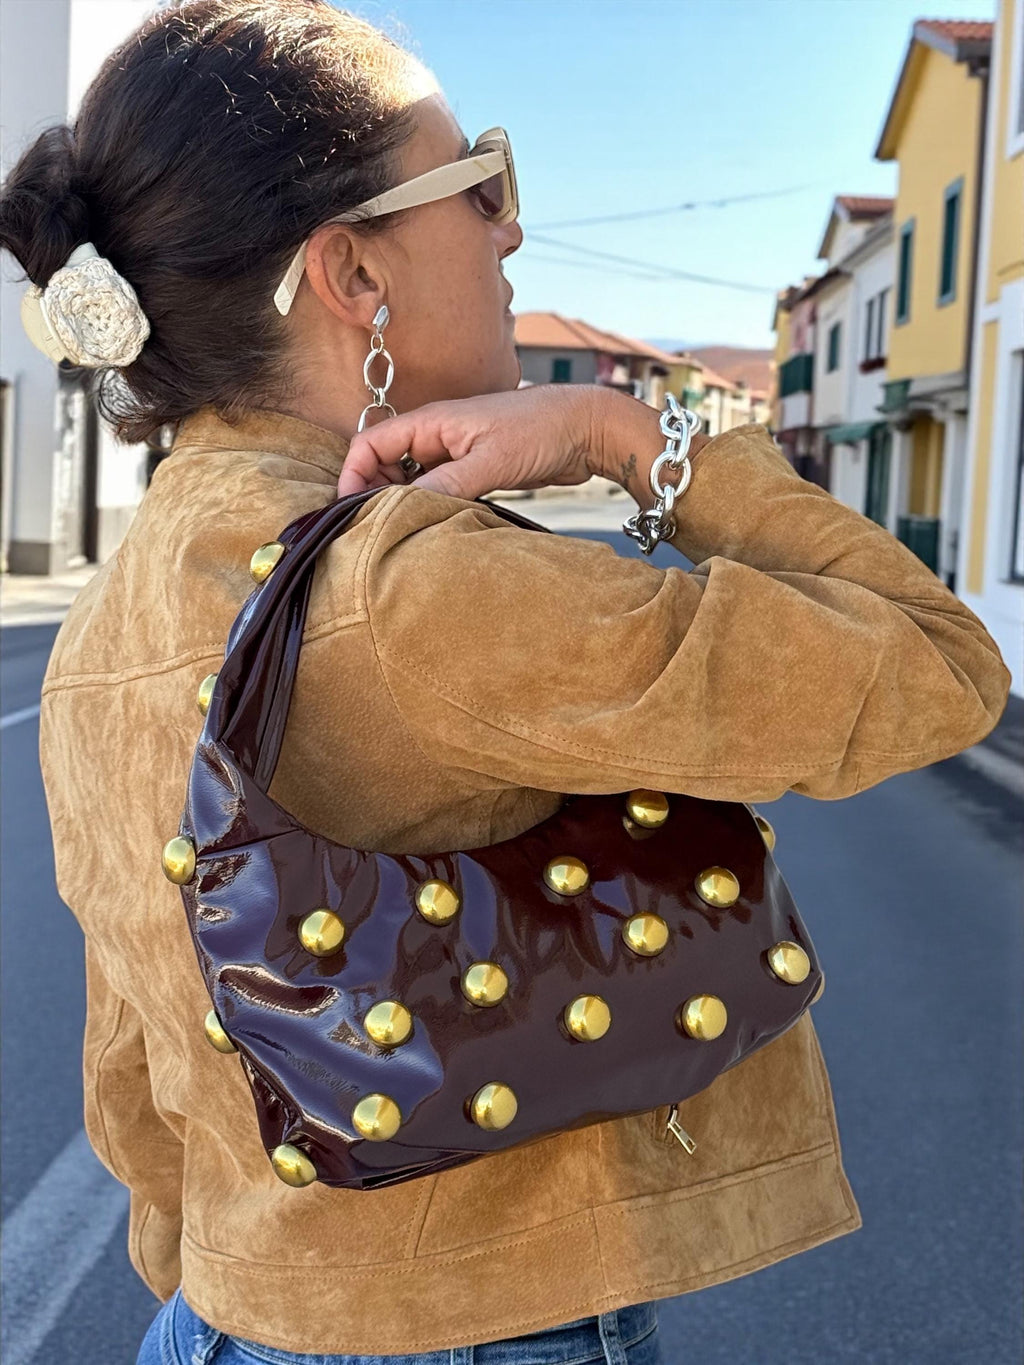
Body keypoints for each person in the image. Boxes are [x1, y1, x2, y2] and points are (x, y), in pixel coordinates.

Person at [0, 2, 1011, 1363]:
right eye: (481, 182)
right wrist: (630, 435)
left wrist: (236, 1282)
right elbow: (944, 667)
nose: (513, 229)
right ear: (353, 273)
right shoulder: (418, 581)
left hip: (226, 1320)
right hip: (472, 1333)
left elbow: (132, 1073)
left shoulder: (112, 618)